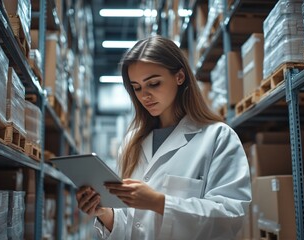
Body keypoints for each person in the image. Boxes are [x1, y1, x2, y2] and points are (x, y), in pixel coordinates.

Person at [76, 35, 251, 240]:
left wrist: (158, 202)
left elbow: (230, 217)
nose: (144, 96)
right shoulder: (132, 143)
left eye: (154, 83)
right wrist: (105, 213)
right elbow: (131, 224)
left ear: (179, 77)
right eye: (137, 87)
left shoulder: (218, 137)